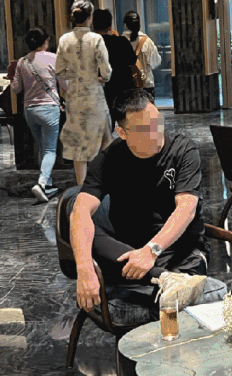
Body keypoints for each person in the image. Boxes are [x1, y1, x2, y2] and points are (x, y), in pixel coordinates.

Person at [70, 89, 210, 312]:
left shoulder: (183, 150)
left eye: (157, 122)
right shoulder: (109, 158)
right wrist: (84, 268)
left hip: (179, 253)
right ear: (122, 132)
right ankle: (163, 278)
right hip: (130, 256)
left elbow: (187, 208)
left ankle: (167, 280)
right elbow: (80, 211)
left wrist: (151, 251)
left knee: (172, 306)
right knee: (77, 219)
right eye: (145, 129)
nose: (156, 132)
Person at [56, 0, 114, 186]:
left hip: (74, 97)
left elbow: (59, 71)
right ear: (90, 17)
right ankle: (103, 181)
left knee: (78, 145)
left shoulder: (64, 40)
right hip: (93, 95)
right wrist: (99, 78)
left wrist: (75, 76)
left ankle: (82, 186)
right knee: (105, 140)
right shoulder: (96, 39)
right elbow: (106, 71)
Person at [11, 27, 66, 202]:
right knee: (50, 150)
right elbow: (65, 84)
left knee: (43, 147)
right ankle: (41, 183)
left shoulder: (22, 62)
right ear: (45, 41)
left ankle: (48, 185)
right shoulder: (53, 58)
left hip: (30, 110)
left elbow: (15, 88)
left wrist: (12, 76)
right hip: (49, 109)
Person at [92, 9, 137, 117]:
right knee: (126, 119)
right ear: (110, 26)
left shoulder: (91, 45)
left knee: (106, 121)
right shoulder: (122, 41)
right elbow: (133, 60)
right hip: (124, 88)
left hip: (102, 90)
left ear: (93, 25)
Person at [122, 11, 161, 100]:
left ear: (125, 25)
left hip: (127, 86)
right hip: (146, 85)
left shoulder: (120, 41)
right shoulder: (147, 41)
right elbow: (156, 62)